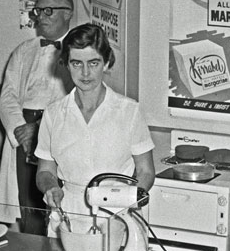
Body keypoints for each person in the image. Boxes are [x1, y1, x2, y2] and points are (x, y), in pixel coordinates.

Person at [35, 23, 155, 223]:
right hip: (68, 213)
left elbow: (146, 171)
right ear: (65, 63)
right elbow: (45, 170)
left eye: (93, 63)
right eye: (76, 63)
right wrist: (51, 187)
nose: (85, 73)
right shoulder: (53, 114)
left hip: (118, 213)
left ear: (106, 63)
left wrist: (127, 201)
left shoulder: (129, 111)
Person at [0, 0, 74, 234]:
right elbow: (7, 95)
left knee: (58, 203)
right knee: (28, 204)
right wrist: (22, 130)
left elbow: (79, 98)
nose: (41, 16)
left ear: (68, 14)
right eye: (38, 10)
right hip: (22, 133)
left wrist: (40, 128)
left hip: (60, 131)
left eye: (48, 10)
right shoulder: (23, 50)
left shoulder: (80, 49)